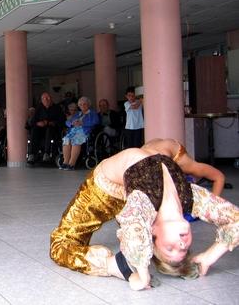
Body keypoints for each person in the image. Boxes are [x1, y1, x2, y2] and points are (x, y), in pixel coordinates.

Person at [50, 147, 238, 290]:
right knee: (63, 244)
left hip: (103, 192)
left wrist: (141, 274)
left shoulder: (143, 205)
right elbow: (235, 219)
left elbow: (135, 229)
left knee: (59, 246)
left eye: (170, 248)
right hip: (109, 191)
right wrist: (208, 256)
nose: (181, 244)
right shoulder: (190, 196)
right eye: (185, 248)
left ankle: (112, 265)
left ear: (152, 231)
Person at [142, 138, 226, 196]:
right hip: (152, 153)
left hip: (152, 152)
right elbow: (219, 177)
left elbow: (219, 177)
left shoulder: (184, 163)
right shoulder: (187, 165)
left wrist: (212, 206)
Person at [60, 96, 99, 170]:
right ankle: (65, 162)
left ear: (88, 105)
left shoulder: (92, 113)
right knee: (66, 140)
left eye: (84, 104)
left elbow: (96, 122)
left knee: (75, 140)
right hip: (73, 131)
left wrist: (82, 123)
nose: (82, 106)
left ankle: (72, 164)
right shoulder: (77, 114)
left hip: (84, 131)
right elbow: (67, 122)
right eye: (80, 104)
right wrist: (72, 123)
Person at [28, 92, 65, 163]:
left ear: (51, 99)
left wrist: (48, 123)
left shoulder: (57, 108)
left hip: (53, 130)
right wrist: (37, 123)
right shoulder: (39, 108)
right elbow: (33, 120)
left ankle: (47, 153)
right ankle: (31, 154)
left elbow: (61, 120)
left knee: (49, 129)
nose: (46, 100)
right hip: (40, 130)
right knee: (34, 130)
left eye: (48, 98)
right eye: (44, 98)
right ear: (41, 100)